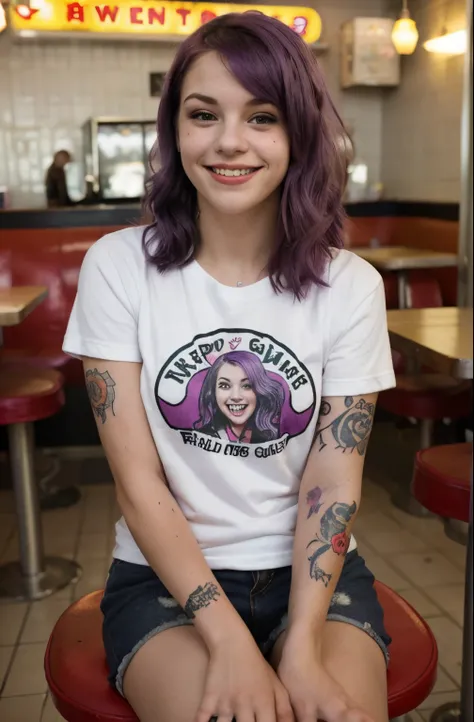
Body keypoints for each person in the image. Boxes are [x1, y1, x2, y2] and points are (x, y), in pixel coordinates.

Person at [63, 12, 396, 722]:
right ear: (174, 129)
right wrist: (227, 639)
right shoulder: (119, 268)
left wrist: (300, 643)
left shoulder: (352, 286)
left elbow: (332, 478)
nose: (229, 142)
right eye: (203, 114)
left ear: (298, 132)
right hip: (163, 580)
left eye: (263, 116)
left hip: (315, 582)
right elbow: (137, 480)